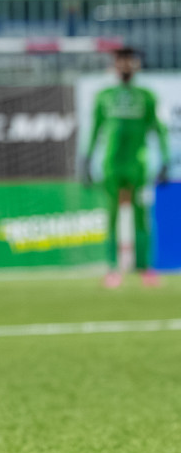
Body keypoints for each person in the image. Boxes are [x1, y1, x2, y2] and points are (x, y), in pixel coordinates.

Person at [85, 47, 171, 288]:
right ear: (114, 66)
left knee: (141, 217)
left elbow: (160, 130)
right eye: (120, 62)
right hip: (111, 165)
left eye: (129, 62)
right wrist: (86, 159)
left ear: (136, 66)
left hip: (139, 165)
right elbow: (95, 129)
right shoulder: (104, 96)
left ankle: (145, 268)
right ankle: (112, 268)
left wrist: (165, 159)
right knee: (111, 216)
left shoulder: (147, 95)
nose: (125, 66)